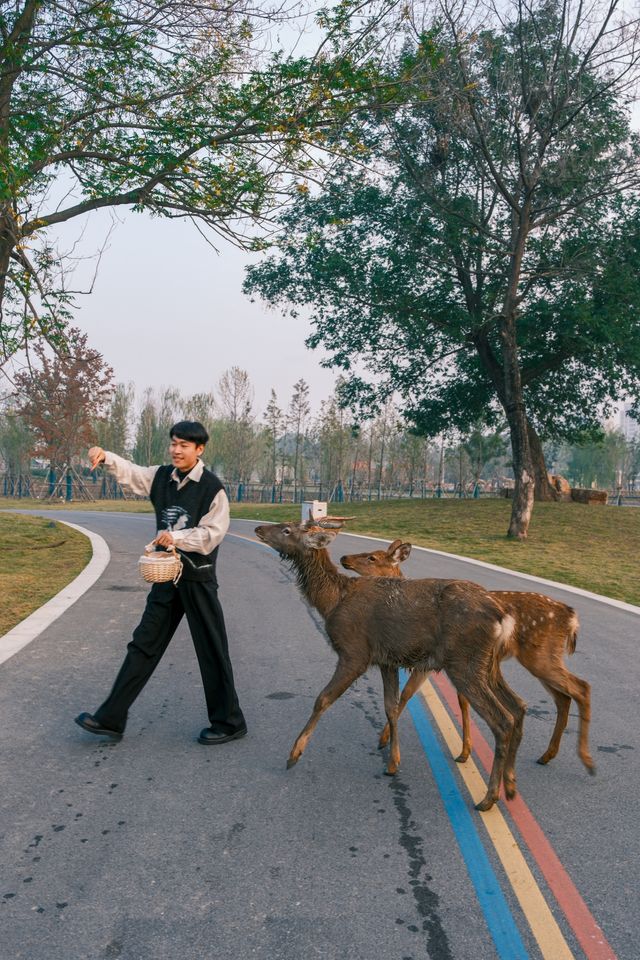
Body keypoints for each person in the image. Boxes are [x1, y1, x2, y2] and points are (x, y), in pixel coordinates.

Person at [75, 421, 247, 745]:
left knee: (212, 650)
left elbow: (212, 534)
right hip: (166, 578)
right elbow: (131, 473)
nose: (176, 450)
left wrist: (176, 537)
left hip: (197, 577)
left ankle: (229, 722)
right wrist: (105, 456)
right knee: (143, 644)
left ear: (200, 450)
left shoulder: (213, 489)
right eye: (173, 443)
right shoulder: (161, 477)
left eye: (184, 445)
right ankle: (111, 718)